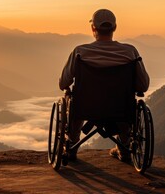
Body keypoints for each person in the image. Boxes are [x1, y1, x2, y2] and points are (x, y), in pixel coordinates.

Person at [59, 9, 150, 161]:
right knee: (125, 102)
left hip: (86, 107)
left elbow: (64, 83)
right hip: (120, 108)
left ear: (93, 28)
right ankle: (125, 147)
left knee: (74, 99)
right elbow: (143, 86)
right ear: (115, 28)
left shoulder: (80, 52)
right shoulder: (130, 52)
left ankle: (72, 145)